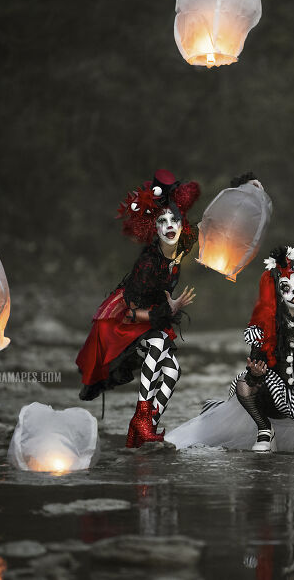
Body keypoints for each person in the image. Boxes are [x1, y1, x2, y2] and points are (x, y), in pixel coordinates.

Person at [166, 245, 294, 452]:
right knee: (243, 383)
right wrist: (256, 374)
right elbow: (255, 368)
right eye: (285, 288)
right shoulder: (269, 324)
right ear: (278, 295)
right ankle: (265, 430)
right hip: (276, 399)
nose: (293, 292)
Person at [76, 169, 200, 447]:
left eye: (174, 221)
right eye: (162, 222)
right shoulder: (148, 262)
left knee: (172, 369)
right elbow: (131, 312)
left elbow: (210, 225)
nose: (169, 226)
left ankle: (143, 431)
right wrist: (170, 309)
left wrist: (244, 187)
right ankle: (141, 420)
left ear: (182, 227)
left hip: (153, 316)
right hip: (125, 322)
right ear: (153, 229)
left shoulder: (180, 249)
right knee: (157, 342)